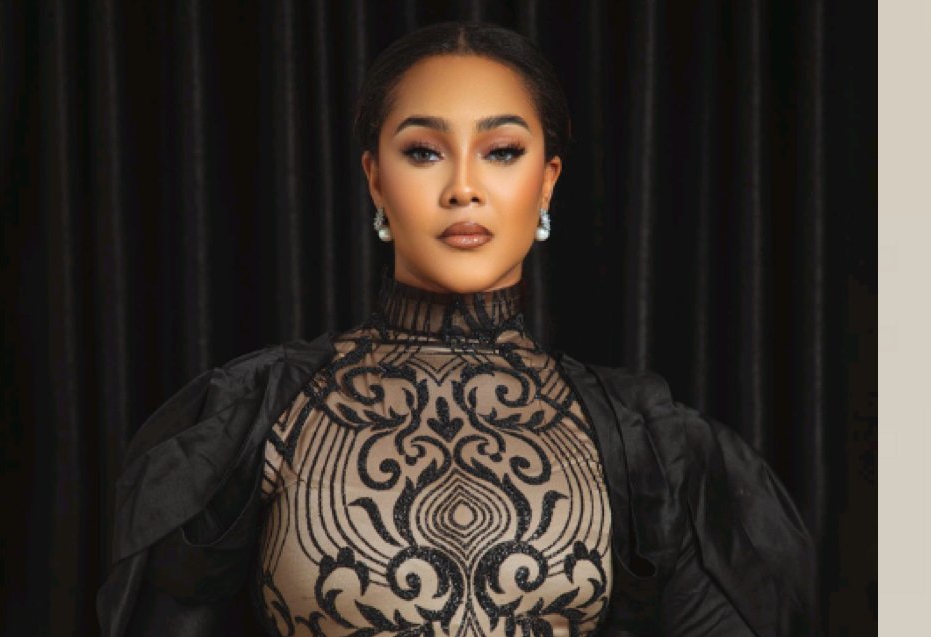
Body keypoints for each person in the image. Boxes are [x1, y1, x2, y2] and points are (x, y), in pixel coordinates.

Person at [97, 21, 818, 637]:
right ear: (375, 179)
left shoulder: (647, 446)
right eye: (424, 151)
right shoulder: (257, 416)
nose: (464, 188)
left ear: (547, 180)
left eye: (501, 151)